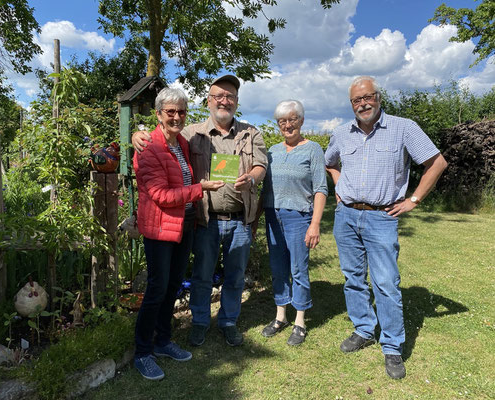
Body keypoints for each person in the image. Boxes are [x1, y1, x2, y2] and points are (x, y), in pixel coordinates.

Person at [325, 76, 448, 379]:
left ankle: (392, 346)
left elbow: (437, 163)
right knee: (353, 278)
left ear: (379, 97)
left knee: (386, 283)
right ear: (351, 104)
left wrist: (414, 199)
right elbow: (330, 162)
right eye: (357, 99)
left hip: (382, 217)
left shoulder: (403, 128)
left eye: (368, 97)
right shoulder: (341, 133)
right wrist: (339, 186)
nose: (363, 103)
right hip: (346, 216)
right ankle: (364, 329)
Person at [132, 75, 268, 347]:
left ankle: (228, 322)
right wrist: (137, 133)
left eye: (229, 96)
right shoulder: (191, 132)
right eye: (218, 96)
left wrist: (252, 178)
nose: (224, 101)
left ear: (237, 102)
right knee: (201, 276)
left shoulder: (250, 133)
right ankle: (200, 322)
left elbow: (261, 166)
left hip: (239, 220)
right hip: (205, 219)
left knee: (234, 277)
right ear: (208, 101)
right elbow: (162, 134)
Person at [133, 87, 224, 380]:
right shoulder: (149, 147)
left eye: (181, 111)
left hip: (183, 224)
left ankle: (162, 341)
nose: (176, 116)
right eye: (170, 111)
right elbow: (160, 194)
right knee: (157, 289)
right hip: (160, 228)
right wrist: (201, 189)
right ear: (159, 114)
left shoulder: (181, 143)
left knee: (172, 286)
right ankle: (142, 352)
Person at [256, 100, 327, 346]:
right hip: (273, 216)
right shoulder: (272, 151)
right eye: (282, 121)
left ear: (301, 121)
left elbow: (320, 188)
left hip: (299, 218)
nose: (288, 125)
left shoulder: (313, 150)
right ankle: (280, 317)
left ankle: (300, 321)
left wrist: (315, 223)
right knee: (277, 269)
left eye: (292, 119)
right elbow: (265, 187)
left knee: (298, 269)